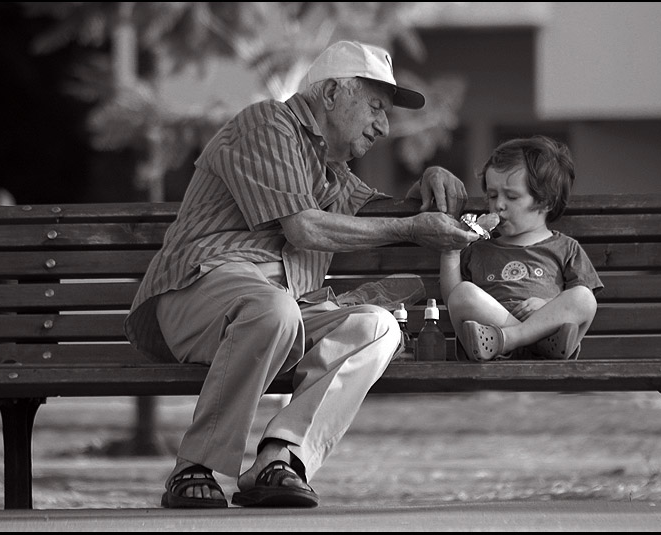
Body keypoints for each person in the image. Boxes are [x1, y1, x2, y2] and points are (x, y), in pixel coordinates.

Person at [124, 40, 480, 509]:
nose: (384, 125)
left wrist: (427, 181)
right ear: (332, 93)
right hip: (198, 293)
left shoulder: (333, 172)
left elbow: (373, 214)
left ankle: (282, 458)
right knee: (272, 309)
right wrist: (414, 226)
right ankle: (198, 466)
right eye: (375, 106)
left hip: (283, 315)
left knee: (377, 327)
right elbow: (305, 226)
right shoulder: (267, 124)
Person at [441, 135, 603, 362]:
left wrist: (548, 307)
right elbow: (453, 303)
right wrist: (451, 251)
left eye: (512, 196)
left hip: (550, 336)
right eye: (492, 195)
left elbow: (583, 306)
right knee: (462, 294)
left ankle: (510, 338)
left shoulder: (566, 248)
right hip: (491, 337)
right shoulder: (478, 250)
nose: (498, 205)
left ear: (546, 201)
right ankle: (524, 340)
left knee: (584, 297)